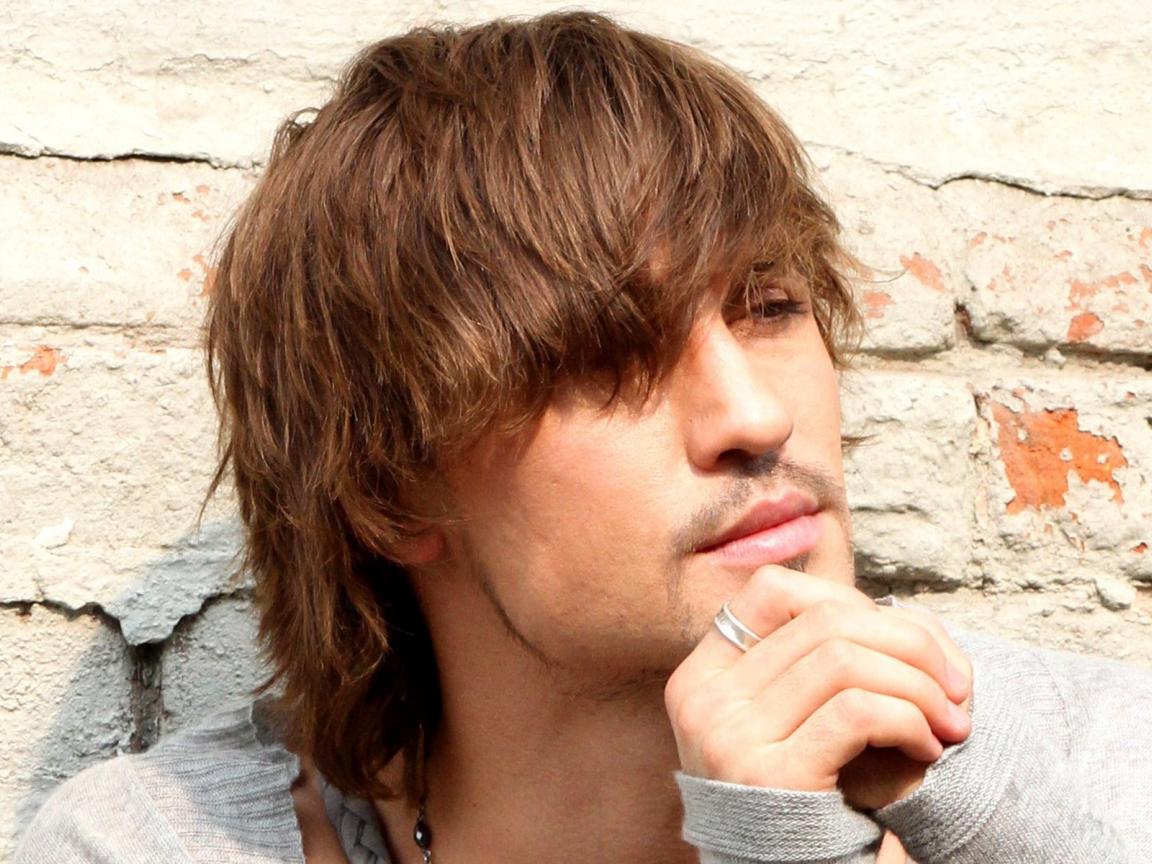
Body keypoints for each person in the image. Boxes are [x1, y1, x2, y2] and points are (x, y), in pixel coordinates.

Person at [15, 11, 1152, 864]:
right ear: (393, 490)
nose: (757, 419)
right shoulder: (154, 846)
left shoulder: (1105, 781)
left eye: (769, 306)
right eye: (605, 363)